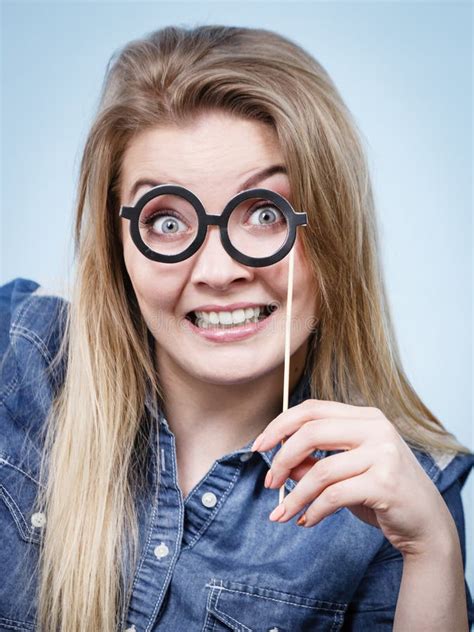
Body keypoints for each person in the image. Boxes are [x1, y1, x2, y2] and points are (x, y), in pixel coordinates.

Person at [0, 24, 472, 632]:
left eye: (266, 213)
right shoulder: (19, 355)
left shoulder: (399, 494)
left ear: (332, 229)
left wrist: (432, 551)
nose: (220, 272)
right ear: (116, 245)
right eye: (166, 222)